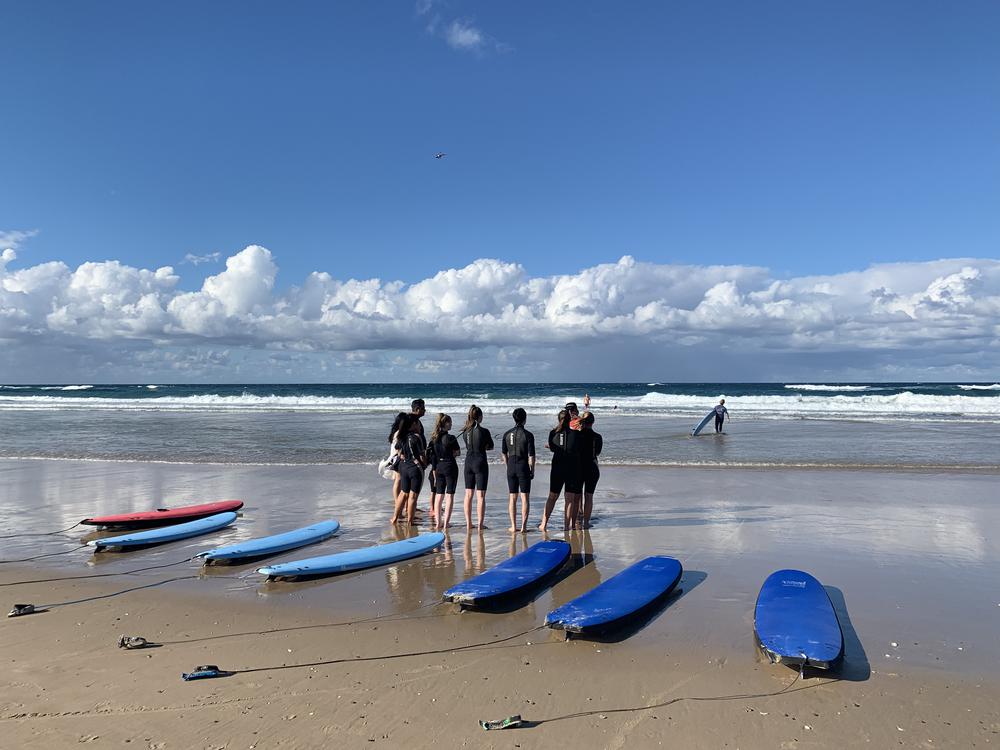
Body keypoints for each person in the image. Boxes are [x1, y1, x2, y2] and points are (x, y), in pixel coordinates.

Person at [501, 408, 535, 533]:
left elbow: (504, 453)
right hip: (522, 466)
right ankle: (523, 527)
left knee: (512, 497)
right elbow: (531, 456)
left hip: (511, 466)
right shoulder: (528, 435)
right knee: (525, 497)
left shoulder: (506, 434)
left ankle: (513, 526)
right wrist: (532, 469)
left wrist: (507, 465)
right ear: (525, 419)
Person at [460, 405, 494, 530]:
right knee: (480, 496)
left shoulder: (465, 431)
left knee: (468, 494)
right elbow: (490, 446)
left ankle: (469, 523)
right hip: (480, 461)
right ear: (479, 417)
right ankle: (480, 524)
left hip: (468, 461)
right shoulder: (484, 431)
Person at [390, 414, 426, 525]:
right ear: (414, 424)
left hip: (403, 467)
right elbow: (421, 456)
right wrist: (425, 463)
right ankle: (410, 521)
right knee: (413, 496)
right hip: (415, 468)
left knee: (403, 493)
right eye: (418, 423)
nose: (420, 426)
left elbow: (399, 452)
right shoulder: (417, 437)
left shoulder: (402, 436)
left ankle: (395, 518)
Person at [539, 409, 573, 532]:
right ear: (570, 420)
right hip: (570, 467)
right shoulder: (574, 434)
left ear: (559, 419)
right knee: (569, 498)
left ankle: (544, 524)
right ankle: (566, 526)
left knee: (552, 496)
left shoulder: (552, 433)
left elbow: (553, 448)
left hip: (557, 467)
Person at [427, 413, 461, 529]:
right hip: (450, 465)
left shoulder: (434, 438)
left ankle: (438, 523)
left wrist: (434, 470)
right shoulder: (451, 438)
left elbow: (432, 456)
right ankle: (446, 523)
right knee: (449, 495)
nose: (451, 424)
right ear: (444, 424)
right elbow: (457, 452)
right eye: (449, 422)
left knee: (439, 495)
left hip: (439, 467)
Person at [576, 411, 602, 528]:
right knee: (589, 496)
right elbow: (597, 452)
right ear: (593, 422)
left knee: (577, 495)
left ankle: (576, 519)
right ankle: (586, 523)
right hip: (592, 467)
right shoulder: (598, 437)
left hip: (579, 466)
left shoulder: (577, 435)